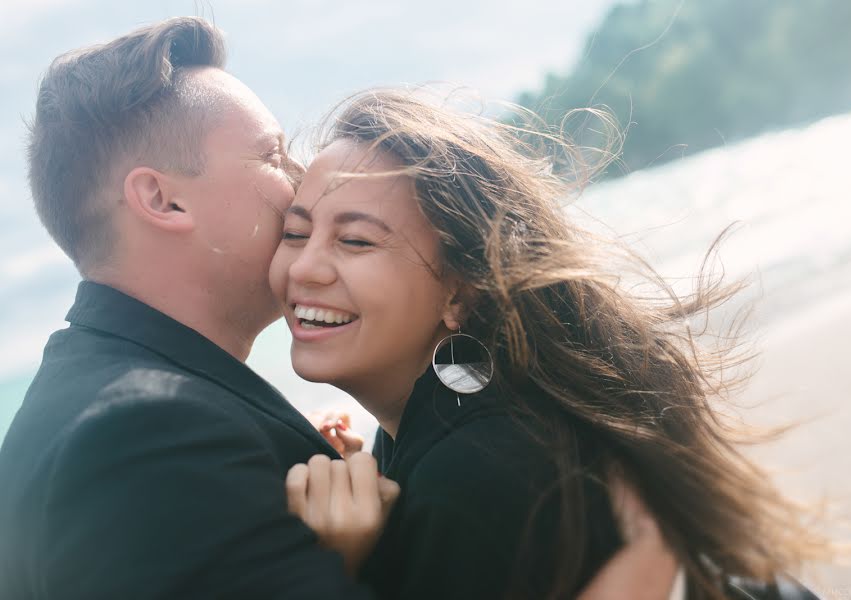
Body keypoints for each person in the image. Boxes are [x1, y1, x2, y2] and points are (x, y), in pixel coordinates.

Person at [0, 16, 679, 600]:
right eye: (271, 154)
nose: (298, 179)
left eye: (354, 238)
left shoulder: (109, 410)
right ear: (162, 200)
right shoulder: (144, 440)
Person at [268, 89, 830, 599]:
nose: (307, 266)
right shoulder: (486, 411)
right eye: (294, 233)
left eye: (356, 240)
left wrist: (339, 569)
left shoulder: (475, 478)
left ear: (461, 292)